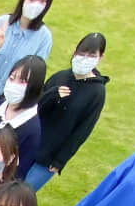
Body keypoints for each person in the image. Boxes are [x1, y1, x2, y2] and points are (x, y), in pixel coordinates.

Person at [26, 33, 108, 190]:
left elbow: (83, 130)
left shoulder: (97, 92)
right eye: (81, 53)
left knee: (21, 194)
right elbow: (35, 108)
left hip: (49, 156)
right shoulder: (60, 77)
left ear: (100, 57)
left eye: (91, 55)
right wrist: (52, 95)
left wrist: (60, 161)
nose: (84, 58)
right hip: (30, 142)